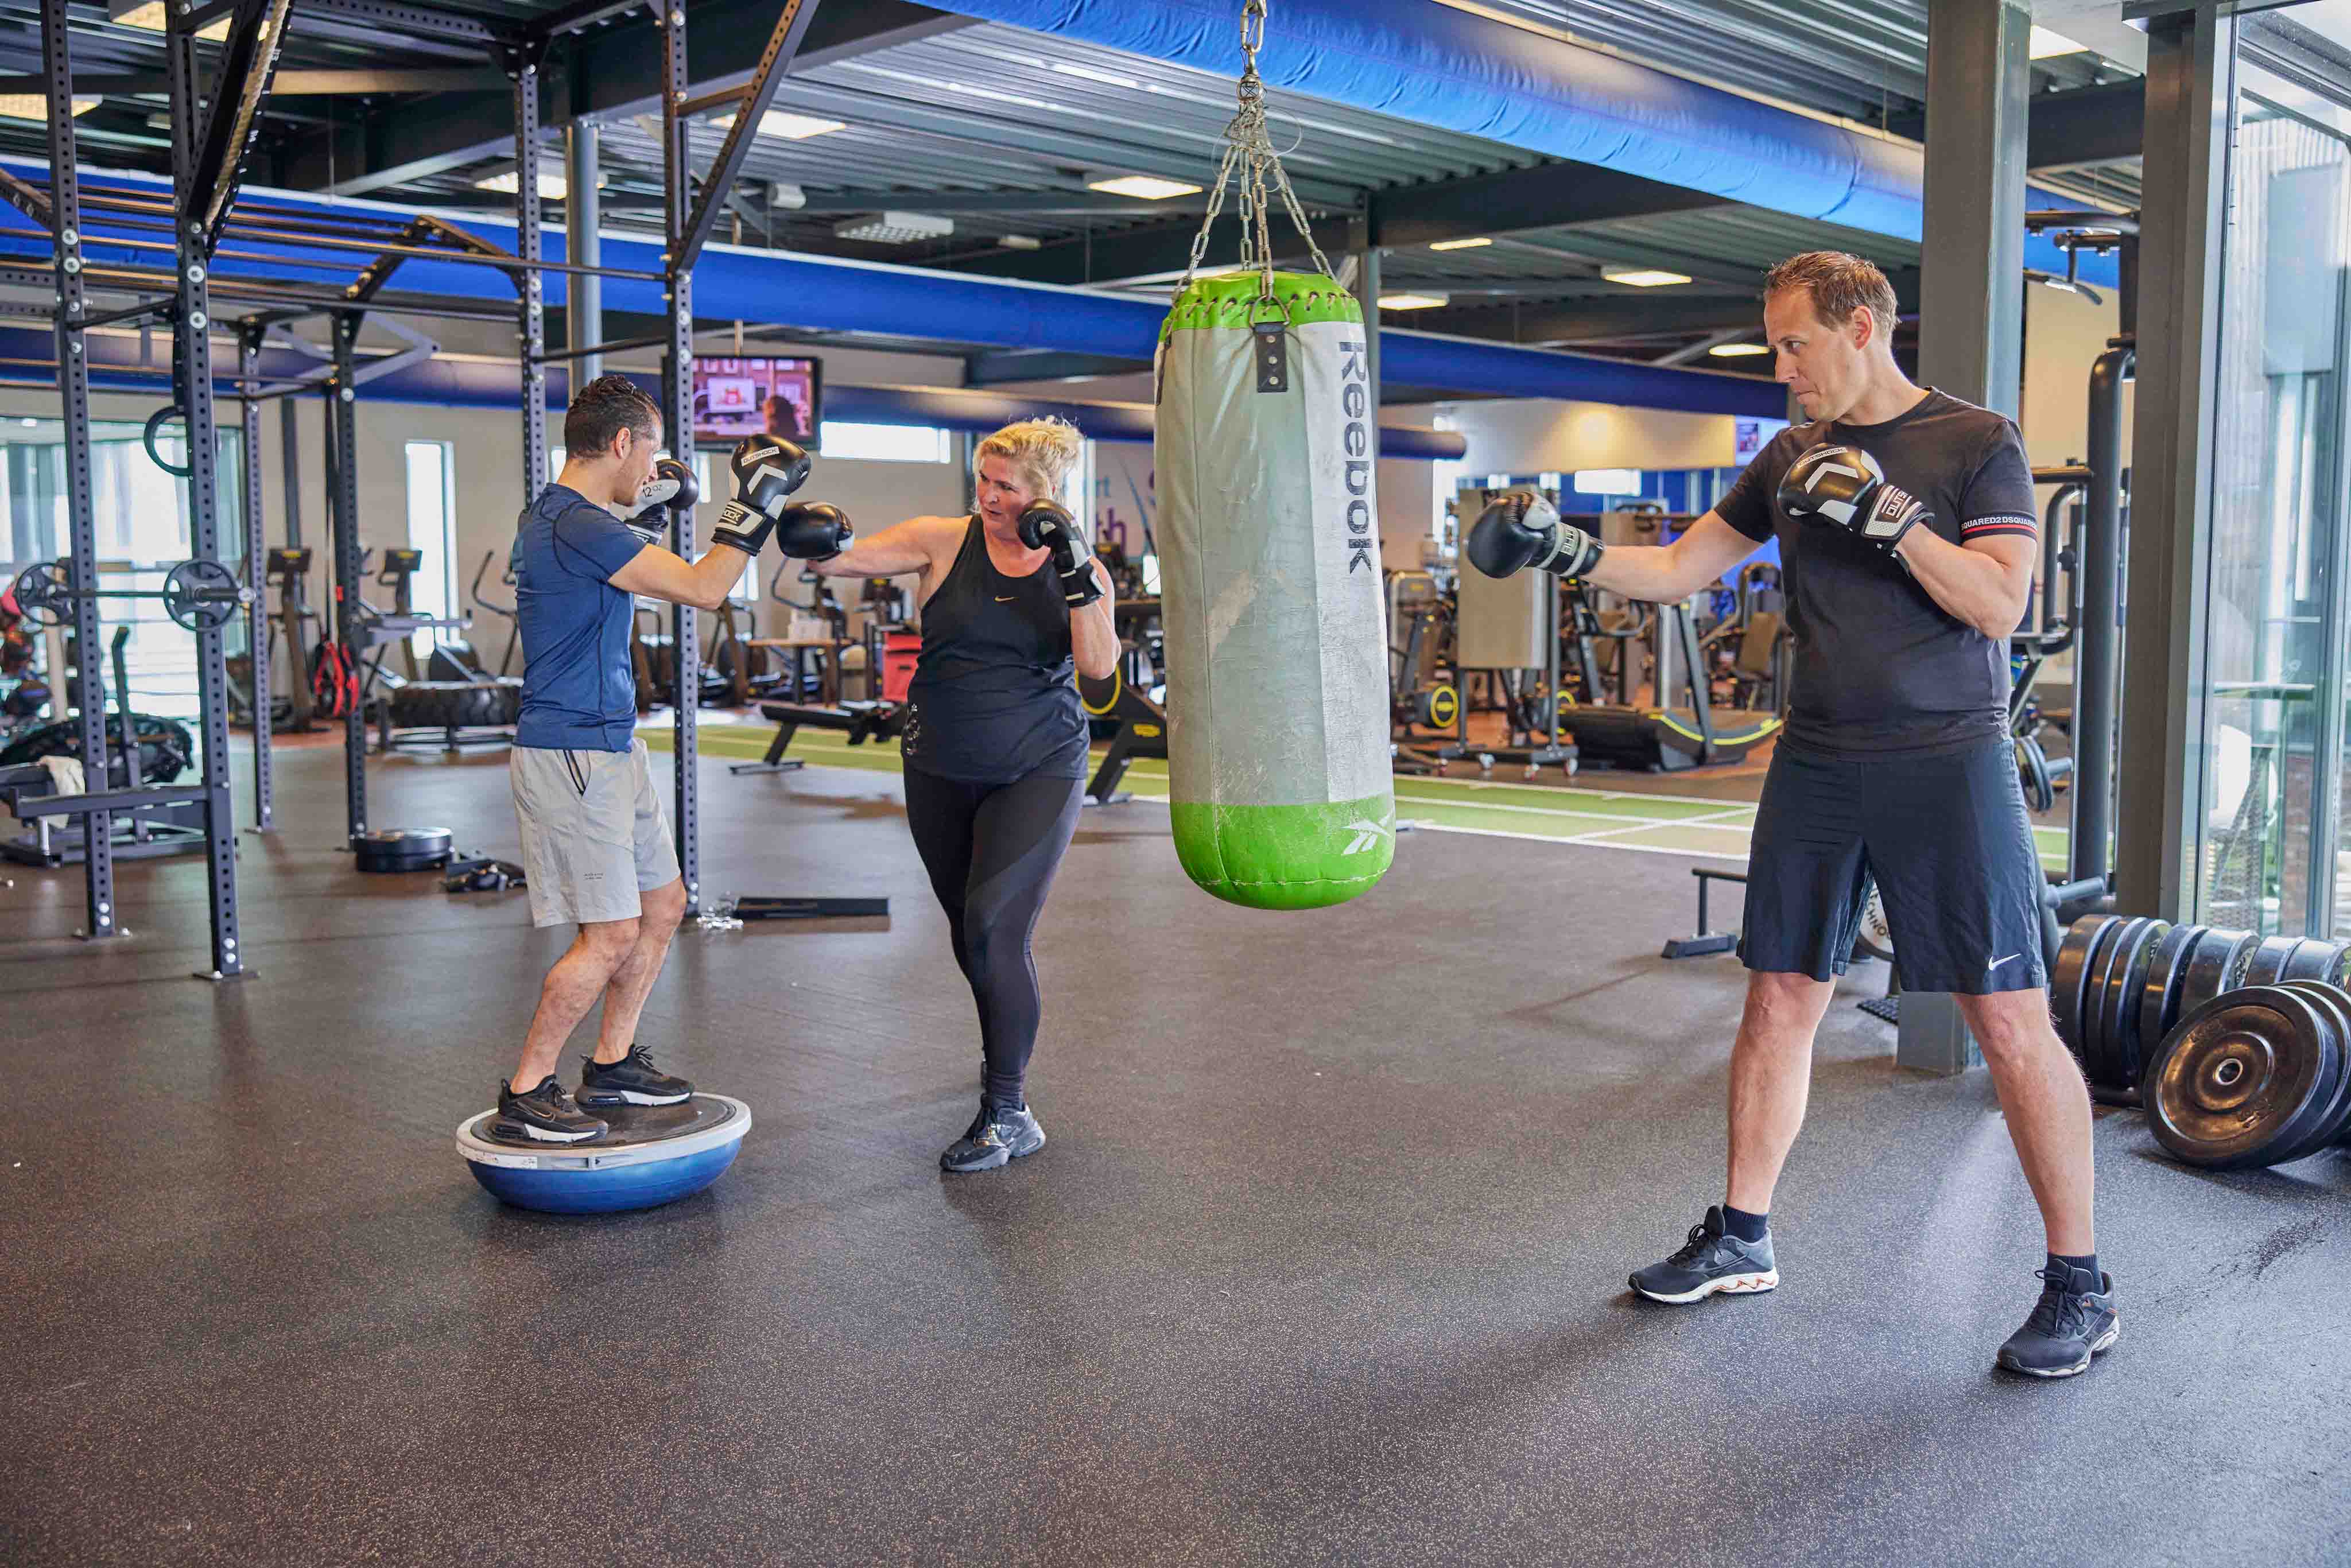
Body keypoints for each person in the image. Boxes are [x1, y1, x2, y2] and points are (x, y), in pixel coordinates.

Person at [1467, 251, 2113, 1379]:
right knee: (1778, 995)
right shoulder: (1786, 455)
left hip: (1942, 759)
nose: (1779, 368)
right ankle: (1741, 1235)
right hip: (1816, 757)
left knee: (2008, 1019)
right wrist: (1560, 548)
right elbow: (1675, 572)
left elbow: (1997, 602)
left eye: (1792, 344)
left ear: (1859, 326)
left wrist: (1887, 518)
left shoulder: (1974, 441)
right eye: (1771, 346)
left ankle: (2078, 1283)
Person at [501, 374, 851, 1143]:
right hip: (571, 752)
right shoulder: (574, 523)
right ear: (623, 442)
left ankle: (614, 1065)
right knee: (611, 935)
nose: (657, 464)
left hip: (609, 745)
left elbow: (650, 575)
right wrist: (753, 501)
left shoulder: (576, 519)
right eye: (653, 447)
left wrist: (652, 513)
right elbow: (704, 589)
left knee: (662, 906)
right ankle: (527, 1089)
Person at [810, 418, 1120, 1172]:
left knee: (991, 928)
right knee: (968, 931)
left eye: (1004, 486)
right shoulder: (942, 540)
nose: (986, 496)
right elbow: (842, 562)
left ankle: (1007, 1111)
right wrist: (799, 529)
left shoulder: (1083, 566)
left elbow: (1100, 668)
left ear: (1045, 493)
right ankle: (1000, 1056)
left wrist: (1076, 571)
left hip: (1038, 767)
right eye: (983, 480)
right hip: (939, 765)